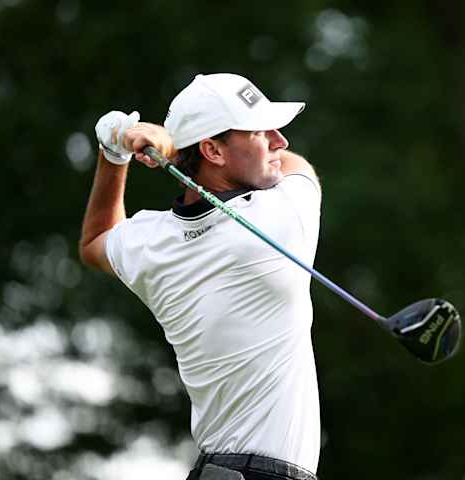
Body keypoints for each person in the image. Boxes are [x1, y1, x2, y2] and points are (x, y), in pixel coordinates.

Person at [79, 73, 322, 480]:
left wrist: (113, 153)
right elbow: (297, 167)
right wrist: (174, 154)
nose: (280, 142)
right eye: (262, 132)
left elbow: (95, 240)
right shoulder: (281, 220)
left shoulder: (151, 242)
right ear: (212, 149)